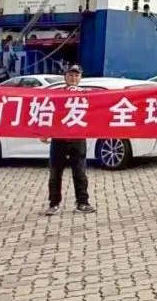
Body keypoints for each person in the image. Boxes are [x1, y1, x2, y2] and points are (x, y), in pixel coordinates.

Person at [42, 64, 96, 216]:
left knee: (80, 173)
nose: (73, 78)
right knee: (55, 173)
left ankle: (82, 202)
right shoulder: (57, 94)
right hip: (59, 139)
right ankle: (54, 203)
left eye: (76, 75)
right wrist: (45, 132)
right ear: (65, 77)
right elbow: (48, 113)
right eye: (70, 75)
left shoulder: (87, 95)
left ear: (80, 78)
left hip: (78, 139)